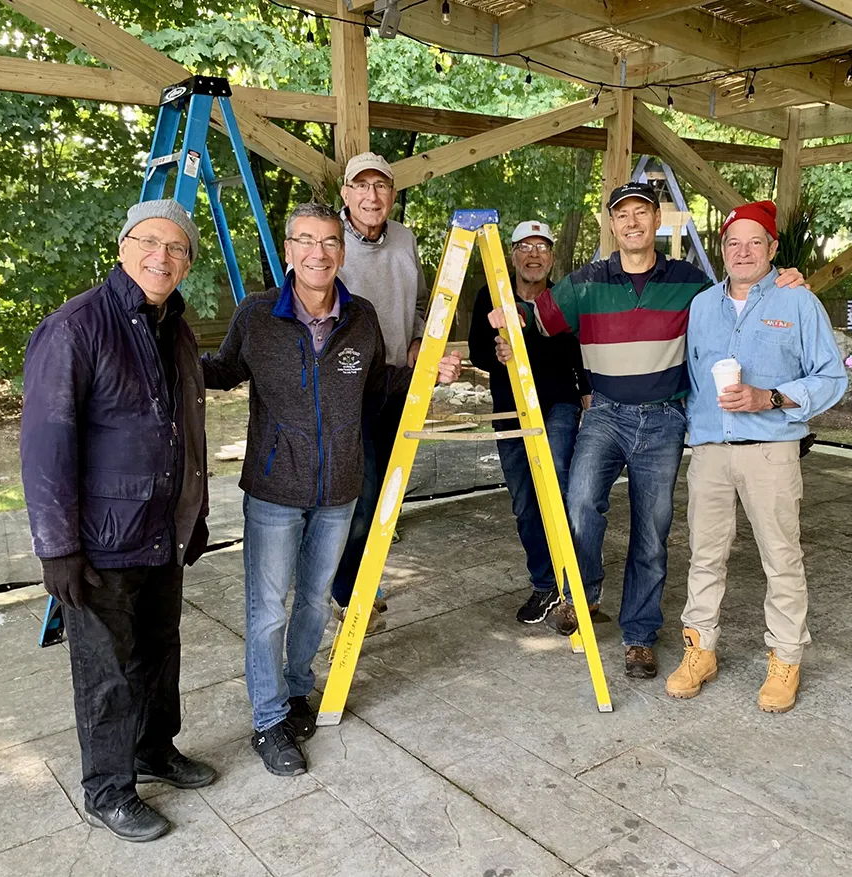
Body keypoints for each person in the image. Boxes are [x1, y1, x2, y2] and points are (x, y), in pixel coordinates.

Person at [488, 182, 806, 679]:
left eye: (641, 213)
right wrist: (505, 322)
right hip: (606, 414)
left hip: (664, 419)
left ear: (656, 221)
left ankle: (639, 635)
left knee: (652, 532)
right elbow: (535, 318)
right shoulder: (585, 281)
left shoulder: (691, 282)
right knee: (579, 504)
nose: (632, 222)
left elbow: (739, 297)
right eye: (622, 215)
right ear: (611, 224)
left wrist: (784, 278)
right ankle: (582, 597)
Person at [201, 203, 461, 778]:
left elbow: (378, 384)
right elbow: (220, 371)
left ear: (341, 253)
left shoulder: (360, 317)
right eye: (305, 241)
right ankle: (268, 721)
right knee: (268, 610)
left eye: (328, 242)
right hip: (273, 488)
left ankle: (296, 692)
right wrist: (164, 355)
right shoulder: (257, 316)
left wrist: (429, 371)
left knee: (316, 602)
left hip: (339, 489)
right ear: (289, 251)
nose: (318, 253)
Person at [21, 199, 214, 843]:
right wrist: (58, 548)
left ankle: (153, 748)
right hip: (99, 542)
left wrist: (196, 510)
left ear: (187, 263)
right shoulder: (76, 327)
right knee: (104, 670)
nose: (162, 256)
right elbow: (47, 445)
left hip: (162, 529)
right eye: (149, 241)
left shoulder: (177, 328)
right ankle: (108, 789)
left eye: (177, 248)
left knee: (160, 650)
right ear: (123, 246)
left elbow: (187, 428)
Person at [665, 201, 845, 712]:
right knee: (704, 555)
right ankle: (700, 650)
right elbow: (695, 381)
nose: (742, 252)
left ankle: (786, 658)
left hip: (771, 451)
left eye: (754, 242)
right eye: (732, 243)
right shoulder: (701, 306)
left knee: (781, 558)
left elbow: (831, 378)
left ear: (771, 249)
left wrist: (769, 397)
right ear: (722, 249)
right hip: (711, 452)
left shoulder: (798, 303)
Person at [468, 220, 589, 624]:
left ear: (551, 257)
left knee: (556, 487)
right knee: (523, 502)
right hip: (510, 408)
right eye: (525, 246)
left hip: (557, 404)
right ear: (513, 254)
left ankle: (575, 585)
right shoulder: (492, 294)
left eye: (542, 247)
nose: (534, 254)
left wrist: (523, 343)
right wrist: (497, 350)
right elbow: (478, 351)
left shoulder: (563, 297)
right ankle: (545, 584)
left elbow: (573, 350)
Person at [331, 152, 429, 631]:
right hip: (351, 391)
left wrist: (415, 338)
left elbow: (421, 301)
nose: (372, 196)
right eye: (361, 186)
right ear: (346, 193)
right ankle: (346, 594)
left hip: (398, 384)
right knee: (363, 495)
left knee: (390, 493)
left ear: (392, 194)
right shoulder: (329, 242)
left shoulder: (406, 239)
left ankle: (362, 581)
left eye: (382, 186)